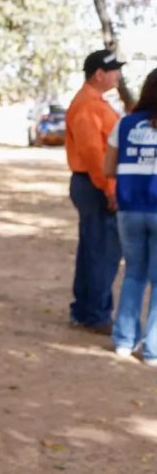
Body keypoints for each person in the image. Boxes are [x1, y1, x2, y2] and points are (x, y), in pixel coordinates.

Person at [65, 49, 124, 334]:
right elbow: (93, 153)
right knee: (102, 249)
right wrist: (110, 188)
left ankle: (86, 309)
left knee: (92, 247)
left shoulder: (94, 102)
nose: (118, 75)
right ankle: (96, 314)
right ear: (99, 74)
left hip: (91, 182)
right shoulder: (88, 106)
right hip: (95, 183)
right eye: (115, 70)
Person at [104, 67, 157, 365]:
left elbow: (107, 169)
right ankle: (152, 350)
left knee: (134, 274)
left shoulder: (124, 124)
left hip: (129, 209)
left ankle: (124, 341)